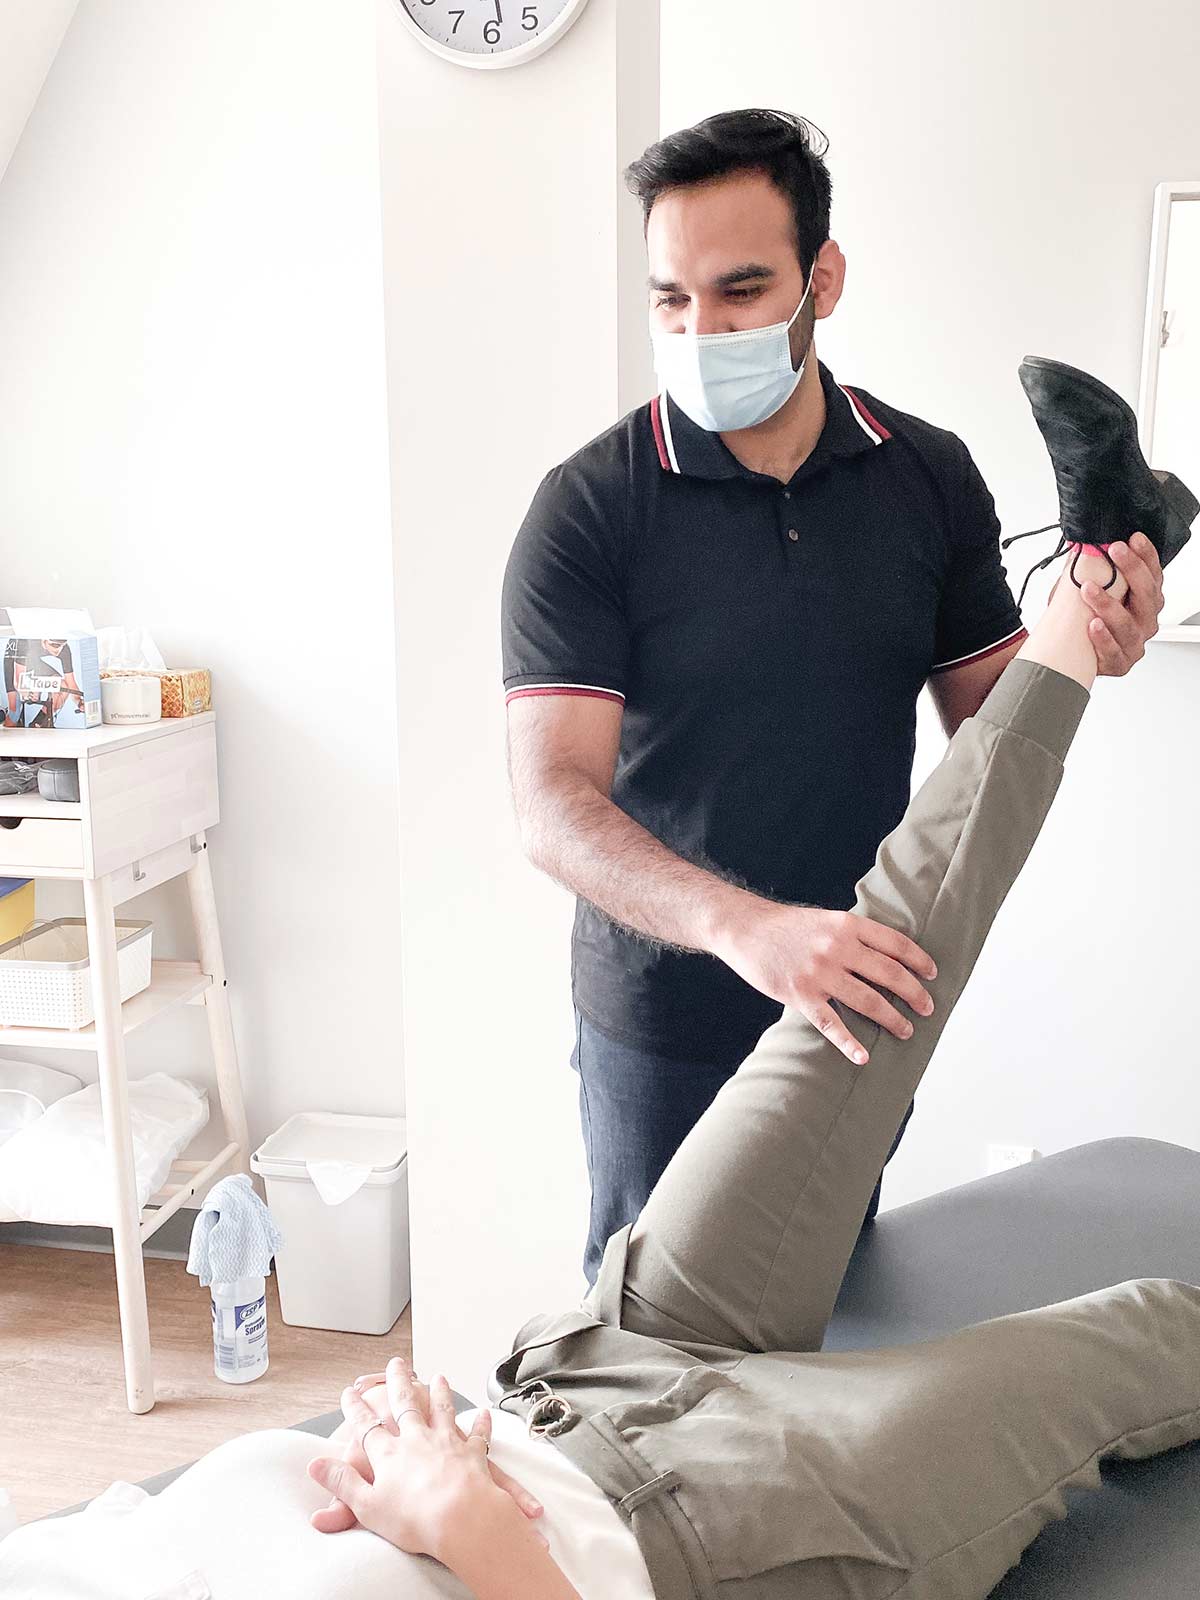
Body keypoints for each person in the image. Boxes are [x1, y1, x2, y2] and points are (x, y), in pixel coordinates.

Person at [10, 520, 1198, 1600]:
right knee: (1111, 1342)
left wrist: (386, 1434)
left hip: (592, 1369)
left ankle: (1093, 579)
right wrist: (462, 1519)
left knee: (875, 964)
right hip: (727, 1532)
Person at [499, 108, 1166, 1288]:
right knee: (655, 1339)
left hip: (860, 993)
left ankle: (1123, 539)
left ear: (824, 279)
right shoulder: (592, 508)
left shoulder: (926, 476)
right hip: (665, 1013)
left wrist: (1088, 640)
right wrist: (746, 928)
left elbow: (984, 724)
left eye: (741, 290)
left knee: (829, 1299)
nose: (701, 330)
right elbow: (549, 802)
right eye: (671, 298)